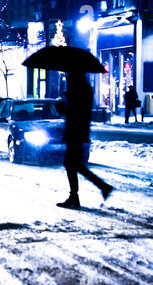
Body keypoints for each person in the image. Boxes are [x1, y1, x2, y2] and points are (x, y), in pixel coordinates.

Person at [57, 72, 113, 210]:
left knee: (71, 164)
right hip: (78, 131)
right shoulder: (83, 87)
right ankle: (82, 194)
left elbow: (76, 111)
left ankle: (78, 196)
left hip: (76, 131)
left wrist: (63, 107)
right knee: (74, 164)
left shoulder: (79, 88)